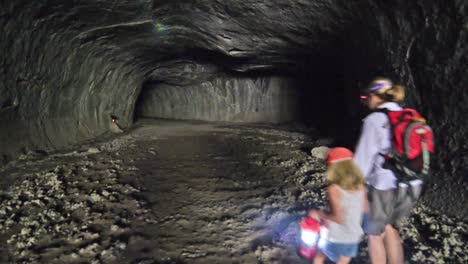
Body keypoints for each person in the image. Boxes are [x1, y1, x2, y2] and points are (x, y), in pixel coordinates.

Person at [354, 77, 423, 264]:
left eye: (365, 96)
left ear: (375, 96)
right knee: (391, 227)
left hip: (384, 186)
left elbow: (362, 161)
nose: (365, 101)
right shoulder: (410, 115)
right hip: (412, 183)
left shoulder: (374, 119)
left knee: (374, 234)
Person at [309, 147, 368, 264]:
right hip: (353, 236)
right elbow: (365, 209)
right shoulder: (360, 186)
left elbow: (338, 218)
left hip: (334, 235)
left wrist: (318, 214)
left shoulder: (334, 189)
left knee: (319, 257)